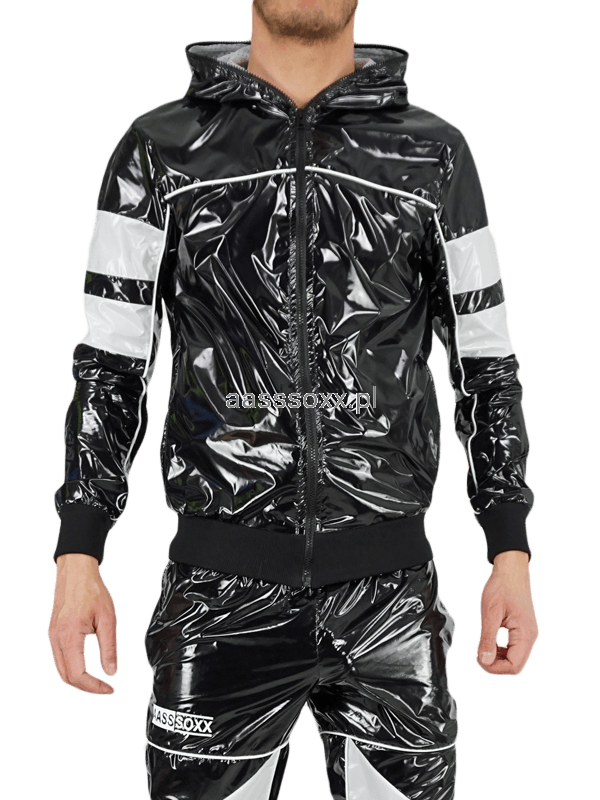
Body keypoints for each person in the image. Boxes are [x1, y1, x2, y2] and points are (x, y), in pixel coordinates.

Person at [48, 1, 539, 798]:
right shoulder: (158, 151)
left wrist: (509, 549)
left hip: (391, 598)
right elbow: (110, 362)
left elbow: (486, 363)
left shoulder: (435, 156)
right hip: (217, 594)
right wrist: (80, 552)